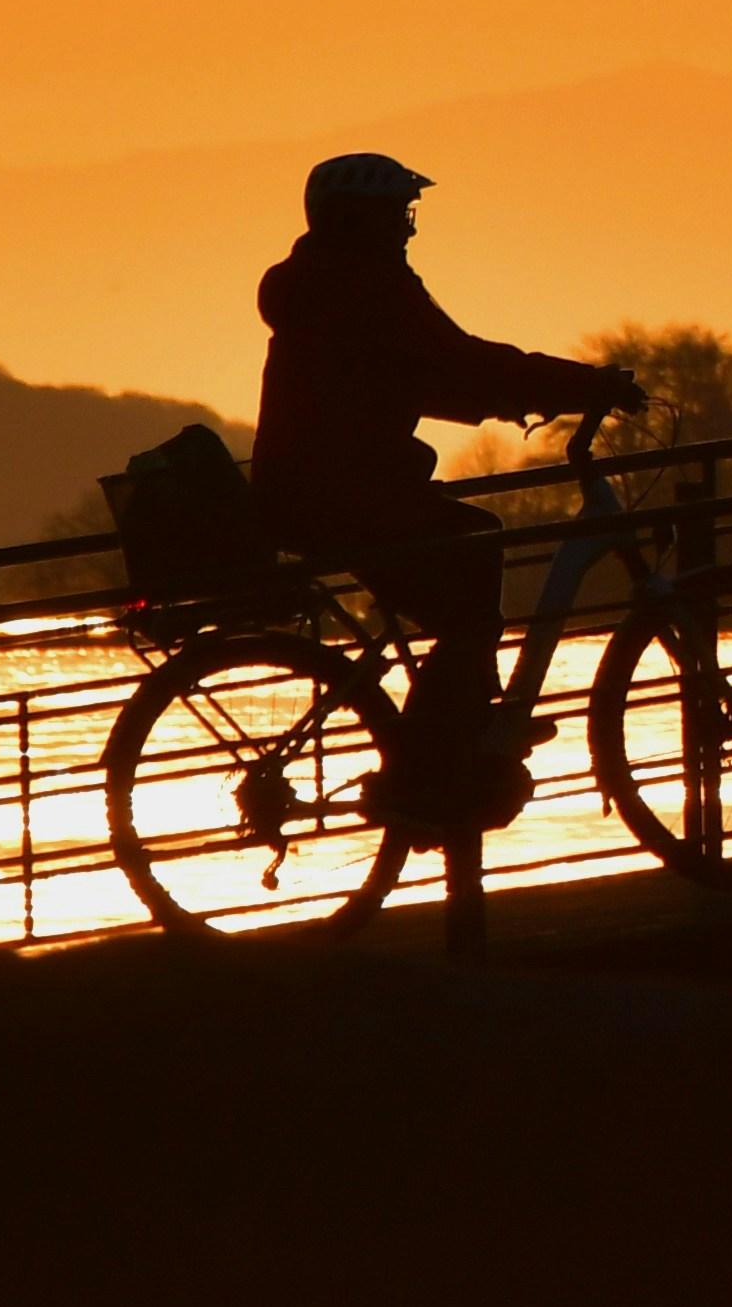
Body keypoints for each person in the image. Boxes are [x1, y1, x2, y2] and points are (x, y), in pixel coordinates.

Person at [248, 152, 637, 836]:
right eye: (399, 213)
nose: (409, 228)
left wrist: (508, 396)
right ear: (359, 219)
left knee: (466, 553)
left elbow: (411, 375)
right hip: (346, 493)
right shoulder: (365, 285)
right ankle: (428, 770)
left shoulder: (325, 287)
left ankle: (448, 740)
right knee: (474, 555)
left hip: (313, 490)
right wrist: (580, 385)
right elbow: (453, 357)